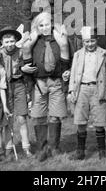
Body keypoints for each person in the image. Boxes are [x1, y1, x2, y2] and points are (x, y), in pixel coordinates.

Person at [21, 12, 71, 162]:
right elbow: (25, 63)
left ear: (52, 24)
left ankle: (54, 147)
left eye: (47, 24)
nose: (44, 28)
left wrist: (67, 71)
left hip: (56, 82)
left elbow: (68, 59)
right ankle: (42, 148)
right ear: (36, 27)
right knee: (38, 116)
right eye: (41, 25)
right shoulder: (33, 41)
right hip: (38, 83)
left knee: (55, 115)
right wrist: (28, 45)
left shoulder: (60, 39)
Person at [68, 26, 106, 160]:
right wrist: (72, 91)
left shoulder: (104, 53)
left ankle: (101, 151)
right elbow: (73, 75)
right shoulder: (77, 54)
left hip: (98, 90)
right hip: (82, 90)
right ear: (83, 42)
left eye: (92, 41)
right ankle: (80, 151)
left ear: (97, 40)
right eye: (87, 41)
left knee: (99, 122)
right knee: (81, 122)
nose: (90, 44)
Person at [0, 26, 34, 159]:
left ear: (16, 40)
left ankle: (26, 148)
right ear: (2, 42)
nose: (10, 44)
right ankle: (8, 148)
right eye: (6, 42)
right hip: (4, 87)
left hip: (19, 85)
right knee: (8, 119)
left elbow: (27, 68)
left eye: (12, 41)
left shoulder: (22, 52)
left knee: (22, 118)